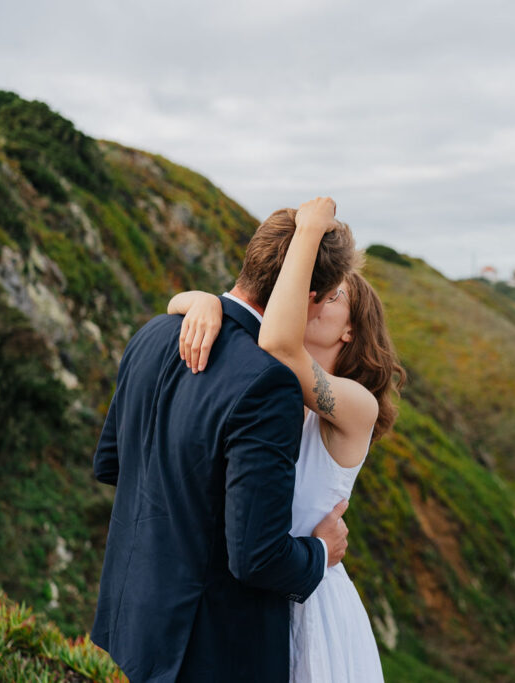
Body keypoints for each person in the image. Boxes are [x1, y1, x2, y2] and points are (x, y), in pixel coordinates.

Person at [91, 200, 359, 682]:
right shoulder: (269, 383)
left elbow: (113, 462)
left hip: (137, 612)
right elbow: (257, 556)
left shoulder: (153, 333)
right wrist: (321, 551)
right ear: (309, 295)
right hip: (209, 644)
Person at [168, 197, 404, 682]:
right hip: (256, 595)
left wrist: (312, 230)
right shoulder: (273, 388)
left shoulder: (358, 405)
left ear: (351, 330)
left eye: (332, 296)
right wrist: (205, 302)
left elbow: (277, 341)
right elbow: (190, 310)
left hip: (311, 602)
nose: (314, 298)